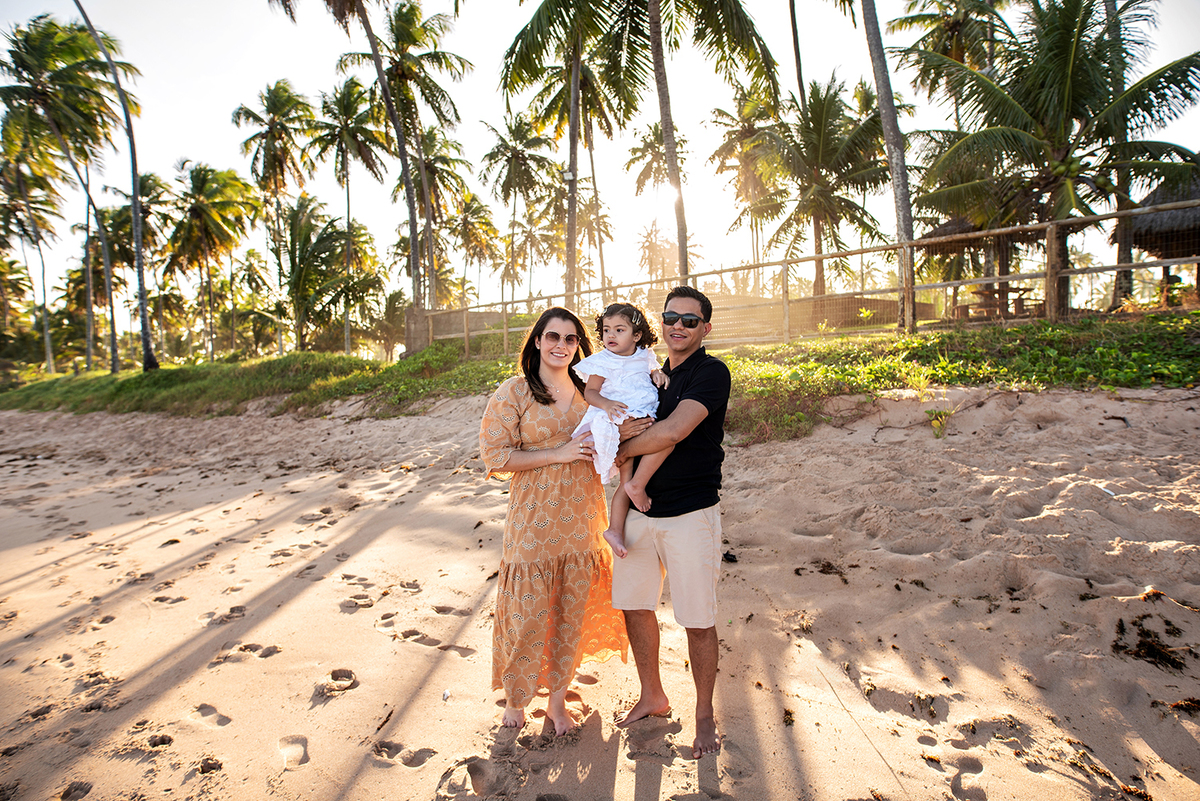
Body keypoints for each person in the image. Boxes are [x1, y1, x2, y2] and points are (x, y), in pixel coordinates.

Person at [478, 307, 629, 736]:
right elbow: (496, 456)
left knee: (570, 609)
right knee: (528, 612)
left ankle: (558, 702)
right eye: (552, 337)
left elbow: (621, 426)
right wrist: (557, 454)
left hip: (582, 516)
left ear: (579, 345)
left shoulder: (591, 390)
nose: (561, 345)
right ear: (537, 341)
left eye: (570, 338)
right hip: (533, 519)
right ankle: (516, 698)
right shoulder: (516, 391)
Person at [609, 285, 731, 759]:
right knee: (635, 606)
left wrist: (619, 447)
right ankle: (652, 695)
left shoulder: (710, 372)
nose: (678, 326)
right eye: (671, 317)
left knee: (698, 620)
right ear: (660, 323)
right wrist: (617, 434)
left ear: (705, 328)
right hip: (640, 514)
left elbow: (674, 430)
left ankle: (704, 714)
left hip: (690, 514)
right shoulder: (647, 373)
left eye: (689, 320)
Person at [571, 302, 672, 559]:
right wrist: (606, 404)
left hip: (643, 412)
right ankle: (623, 513)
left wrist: (658, 373)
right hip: (619, 416)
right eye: (606, 330)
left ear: (636, 335)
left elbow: (652, 369)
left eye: (619, 330)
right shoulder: (603, 361)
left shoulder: (644, 355)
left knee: (663, 442)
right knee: (634, 467)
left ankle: (617, 525)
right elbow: (590, 393)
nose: (611, 335)